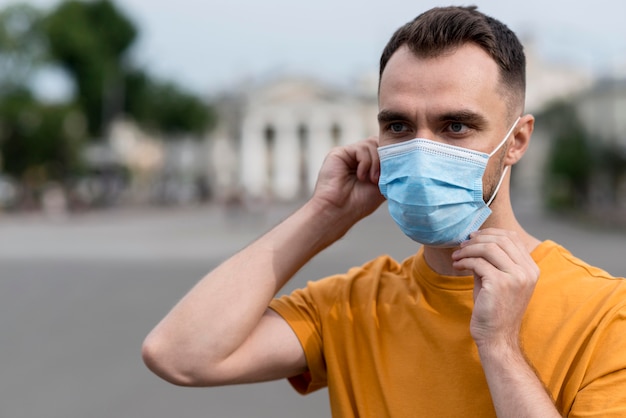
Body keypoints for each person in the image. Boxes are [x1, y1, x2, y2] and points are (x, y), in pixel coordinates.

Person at [142, 6, 626, 417]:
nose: (420, 149)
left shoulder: (605, 315)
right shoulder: (354, 305)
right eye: (397, 125)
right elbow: (179, 355)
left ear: (516, 140)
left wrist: (499, 349)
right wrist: (323, 216)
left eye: (455, 126)